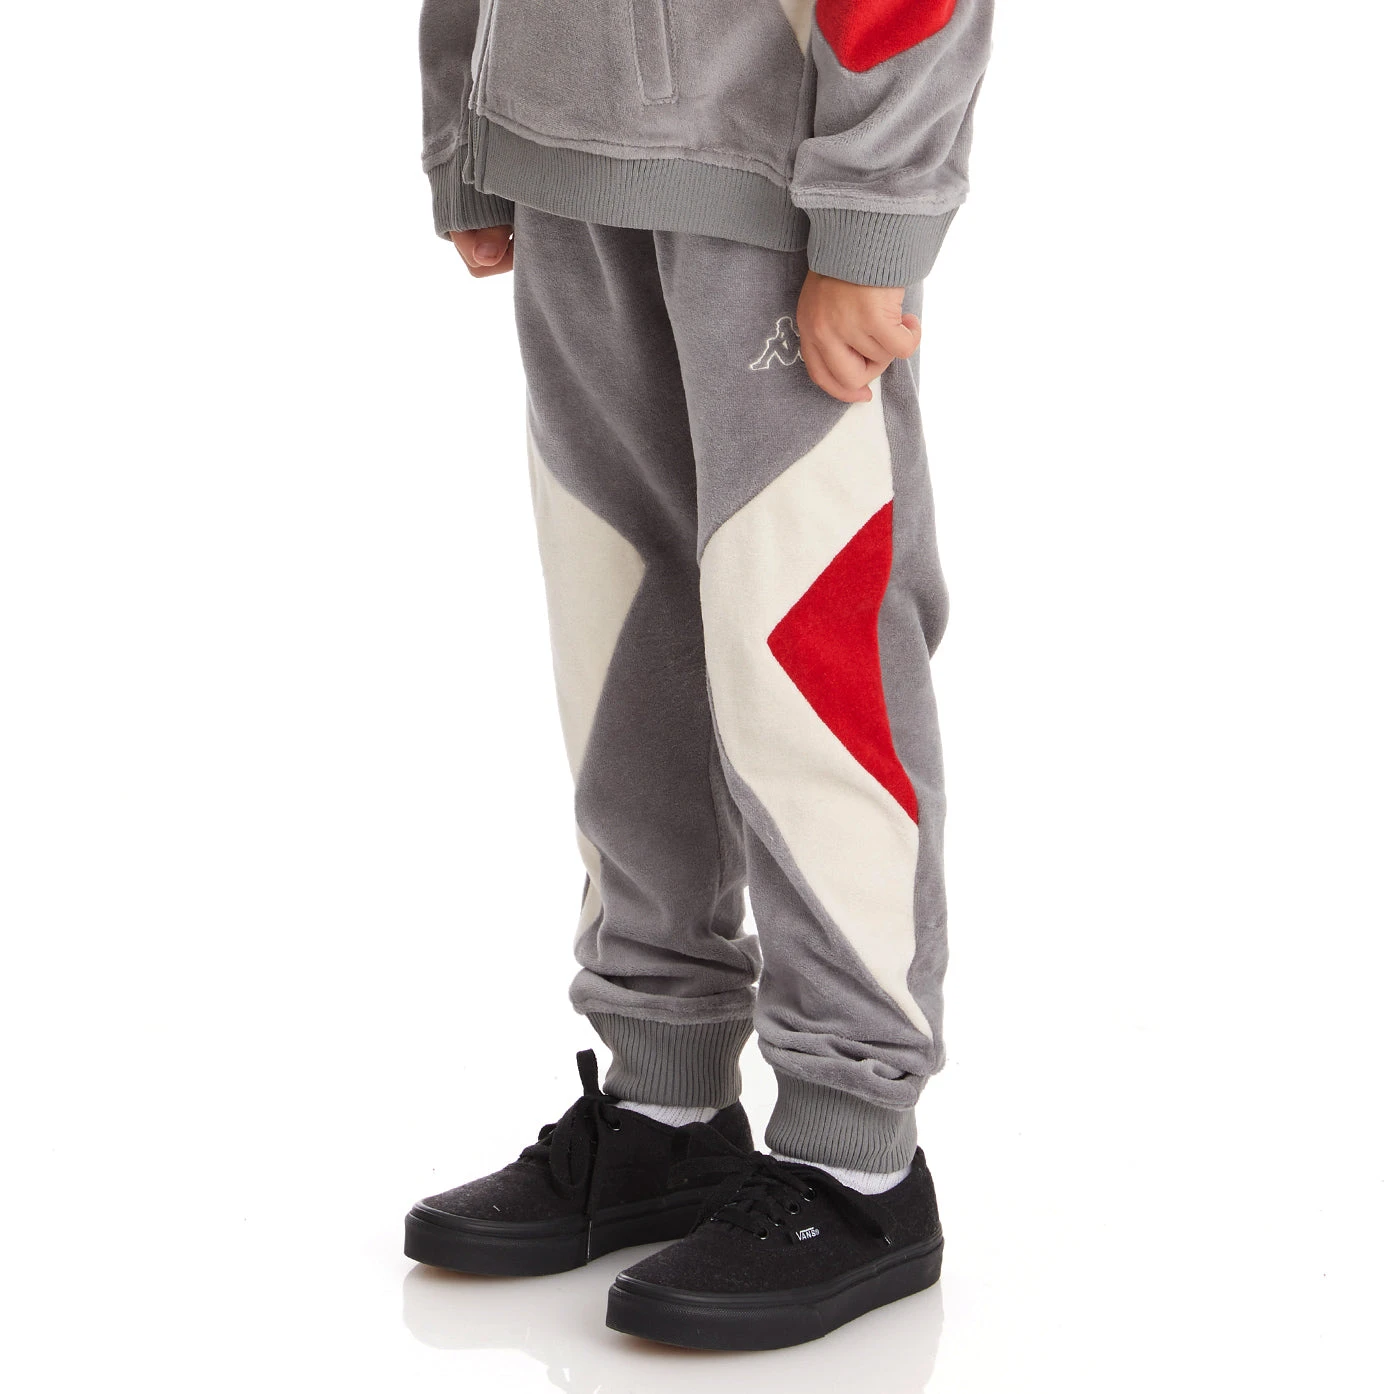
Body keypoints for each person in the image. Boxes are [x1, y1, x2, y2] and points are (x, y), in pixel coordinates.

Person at [404, 0, 994, 1352]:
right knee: (620, 639)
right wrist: (465, 120)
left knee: (807, 657)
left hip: (769, 171)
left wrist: (873, 206)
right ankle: (666, 1104)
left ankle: (856, 1154)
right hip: (560, 152)